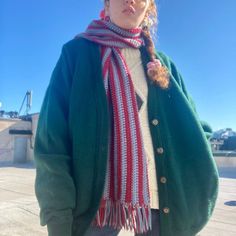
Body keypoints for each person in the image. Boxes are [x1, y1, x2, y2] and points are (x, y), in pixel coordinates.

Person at [34, 0, 219, 236]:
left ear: (148, 9)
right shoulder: (77, 54)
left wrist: (194, 177)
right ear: (107, 6)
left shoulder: (164, 65)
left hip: (161, 204)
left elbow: (197, 128)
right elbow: (52, 142)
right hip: (96, 207)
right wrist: (57, 216)